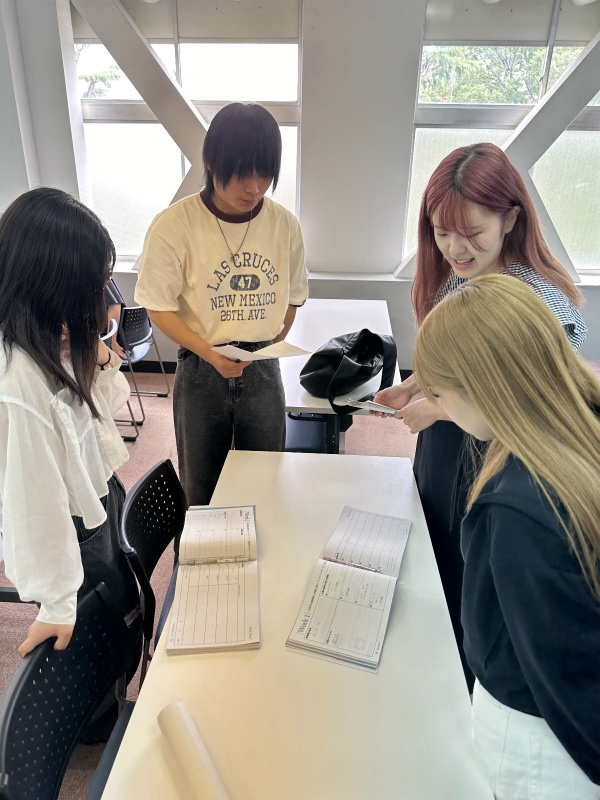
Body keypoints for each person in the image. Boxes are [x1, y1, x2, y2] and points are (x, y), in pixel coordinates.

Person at [374, 142, 587, 689]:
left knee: (474, 580)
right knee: (438, 558)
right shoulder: (459, 276)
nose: (453, 248)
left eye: (470, 232)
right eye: (441, 232)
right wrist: (418, 385)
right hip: (451, 447)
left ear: (510, 218)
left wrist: (437, 409)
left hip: (493, 460)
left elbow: (533, 403)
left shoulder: (537, 299)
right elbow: (460, 364)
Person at [412, 273, 600, 799]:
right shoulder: (574, 429)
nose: (442, 410)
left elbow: (568, 678)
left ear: (481, 391)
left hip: (539, 747)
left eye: (440, 395)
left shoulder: (520, 513)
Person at [135, 102, 308, 505]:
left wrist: (269, 344)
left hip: (262, 366)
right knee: (201, 483)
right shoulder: (174, 224)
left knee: (265, 479)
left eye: (265, 174)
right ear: (212, 163)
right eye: (243, 173)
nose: (254, 188)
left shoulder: (283, 224)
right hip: (201, 366)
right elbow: (158, 306)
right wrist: (209, 353)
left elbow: (293, 297)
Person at [0, 187, 141, 673]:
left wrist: (98, 355)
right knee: (99, 643)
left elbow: (99, 416)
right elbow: (33, 502)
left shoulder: (52, 339)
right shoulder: (18, 379)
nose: (99, 306)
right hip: (73, 527)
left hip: (97, 499)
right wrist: (58, 602)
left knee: (122, 613)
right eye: (91, 289)